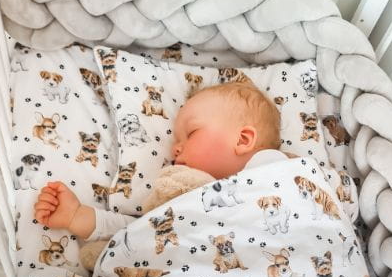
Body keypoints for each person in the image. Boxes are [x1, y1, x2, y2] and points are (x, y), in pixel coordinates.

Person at [33, 81, 284, 242]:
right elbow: (140, 232)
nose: (175, 147)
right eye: (177, 139)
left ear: (243, 139)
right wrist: (76, 216)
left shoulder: (277, 172)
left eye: (191, 133)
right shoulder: (179, 193)